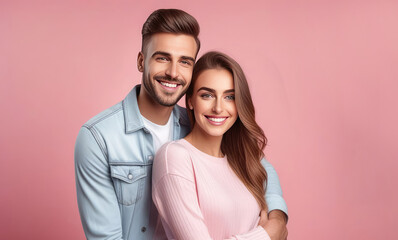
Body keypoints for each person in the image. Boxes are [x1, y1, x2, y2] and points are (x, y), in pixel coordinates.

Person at [74, 9, 288, 240]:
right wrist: (265, 236)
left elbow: (259, 166)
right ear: (141, 61)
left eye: (184, 62)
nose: (173, 72)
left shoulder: (201, 123)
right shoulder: (99, 137)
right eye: (162, 58)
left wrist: (276, 219)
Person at [152, 51, 283, 239]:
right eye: (207, 95)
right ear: (190, 100)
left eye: (229, 97)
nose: (218, 108)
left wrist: (278, 219)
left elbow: (272, 188)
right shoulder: (174, 157)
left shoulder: (243, 158)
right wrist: (267, 235)